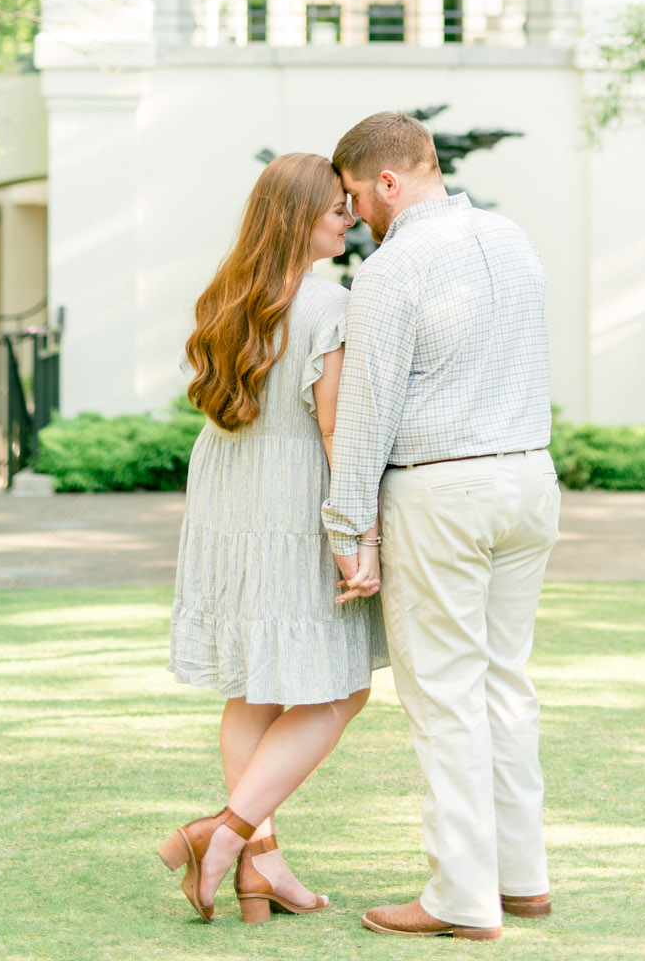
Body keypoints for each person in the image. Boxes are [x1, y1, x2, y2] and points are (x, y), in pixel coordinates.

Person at [325, 111, 558, 942]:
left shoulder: (394, 268)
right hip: (529, 477)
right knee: (505, 684)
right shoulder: (513, 239)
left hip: (442, 489)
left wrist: (348, 529)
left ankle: (461, 896)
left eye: (355, 194)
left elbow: (366, 411)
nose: (354, 214)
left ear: (388, 180)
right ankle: (520, 877)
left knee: (445, 697)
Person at [161, 151, 387, 924]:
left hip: (230, 492)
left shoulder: (228, 295)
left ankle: (263, 865)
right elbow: (333, 428)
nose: (350, 215)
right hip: (289, 500)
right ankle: (223, 837)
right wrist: (355, 533)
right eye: (335, 205)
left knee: (252, 685)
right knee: (342, 686)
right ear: (295, 214)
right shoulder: (331, 305)